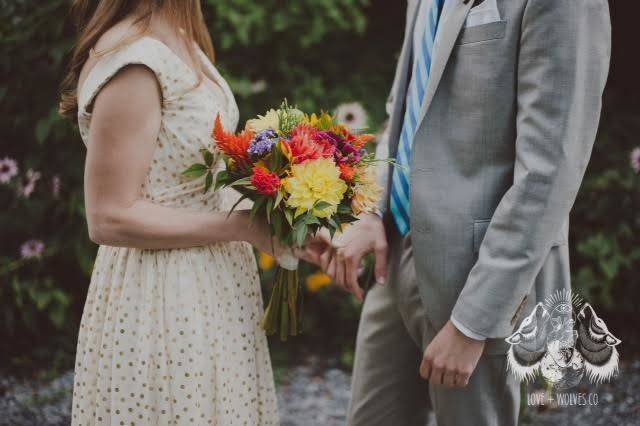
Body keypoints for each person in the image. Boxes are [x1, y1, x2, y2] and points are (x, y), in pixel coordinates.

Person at [305, 0, 611, 424]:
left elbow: (549, 173)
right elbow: (404, 108)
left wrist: (475, 322)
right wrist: (372, 211)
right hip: (393, 257)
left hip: (476, 277)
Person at [58, 1, 318, 424]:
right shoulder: (134, 62)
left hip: (213, 284)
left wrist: (286, 215)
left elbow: (196, 179)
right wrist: (239, 227)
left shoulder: (181, 37)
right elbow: (108, 216)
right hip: (164, 293)